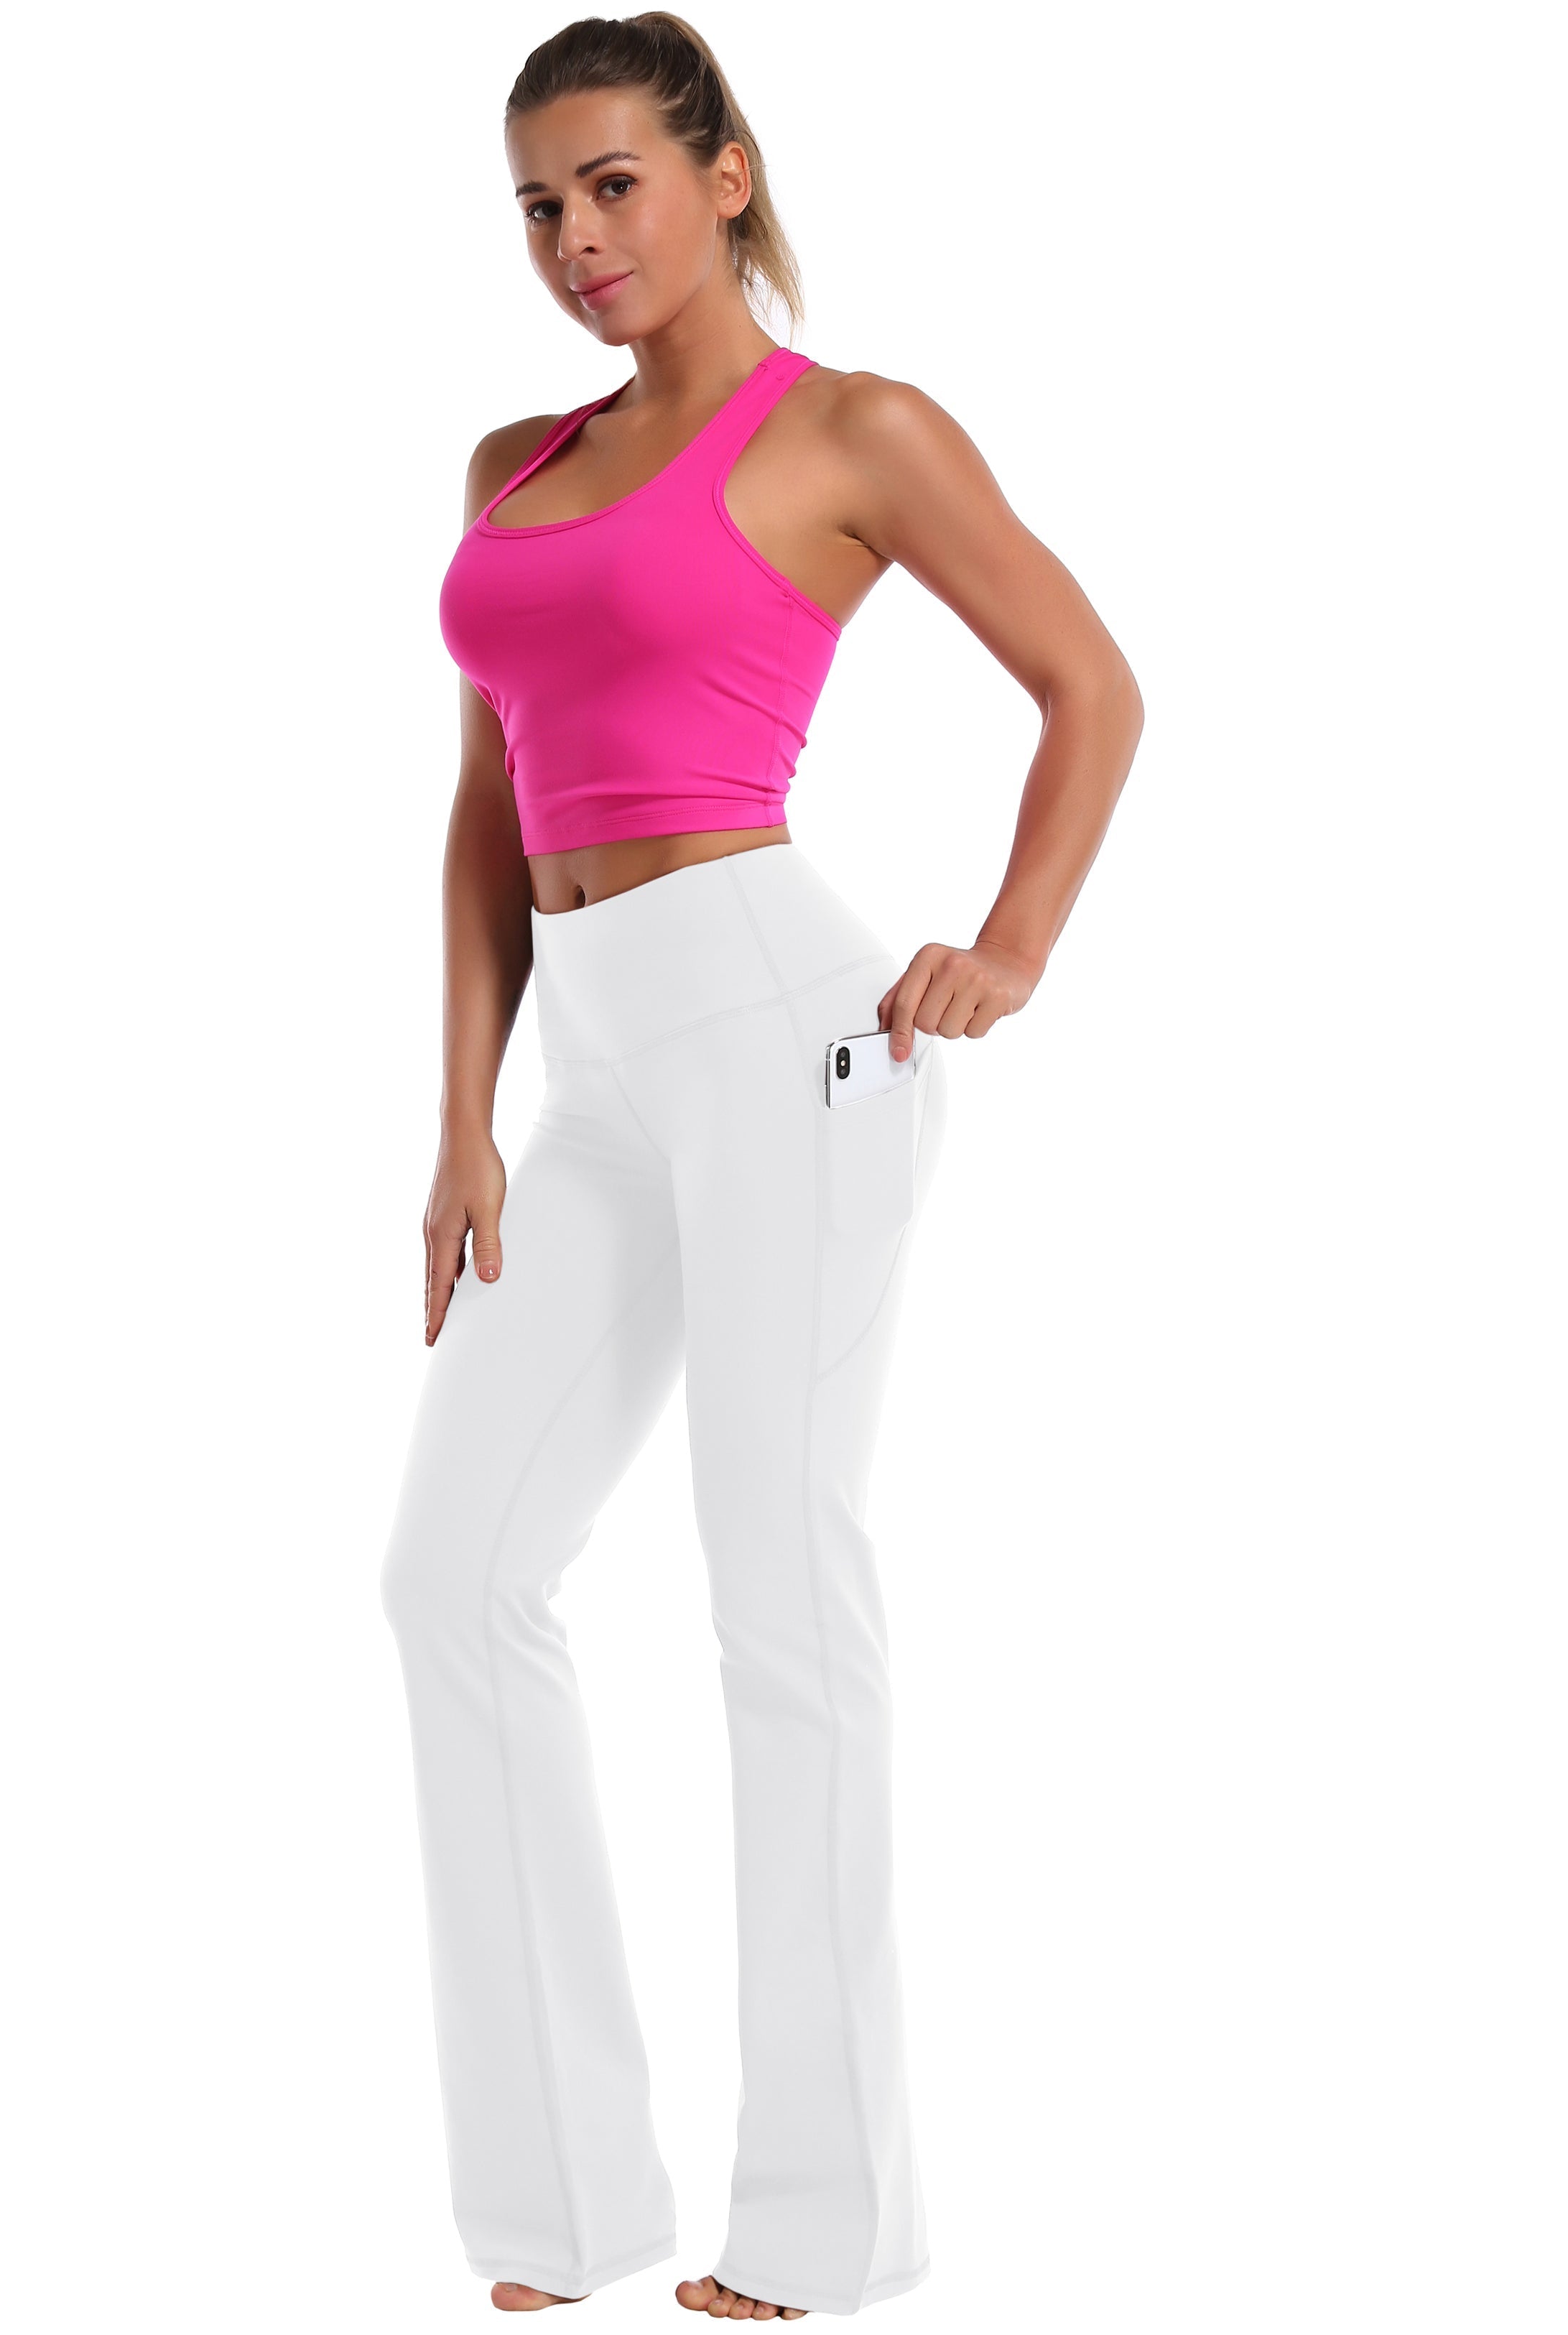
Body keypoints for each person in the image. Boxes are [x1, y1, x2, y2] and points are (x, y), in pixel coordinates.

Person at [379, 11, 1143, 2321]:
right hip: (590, 1070)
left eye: (614, 184)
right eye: (537, 203)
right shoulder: (514, 461)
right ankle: (562, 2205)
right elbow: (489, 807)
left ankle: (823, 2225)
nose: (573, 238)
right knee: (452, 1576)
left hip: (776, 1022)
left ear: (722, 176)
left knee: (778, 1600)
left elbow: (1091, 685)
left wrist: (1009, 945)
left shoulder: (852, 430)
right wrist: (460, 1116)